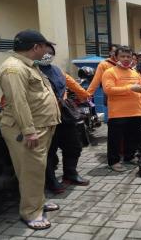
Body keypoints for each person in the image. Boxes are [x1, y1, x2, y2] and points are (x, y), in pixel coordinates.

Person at [0, 29, 60, 230]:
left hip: (41, 126)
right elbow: (18, 102)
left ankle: (38, 202)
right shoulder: (14, 69)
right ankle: (31, 212)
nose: (47, 51)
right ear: (36, 47)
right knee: (30, 172)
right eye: (45, 47)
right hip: (28, 130)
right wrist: (29, 130)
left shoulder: (30, 66)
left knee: (37, 169)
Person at [37, 44, 90, 194]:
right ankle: (50, 180)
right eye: (44, 53)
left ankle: (70, 174)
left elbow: (72, 83)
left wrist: (85, 95)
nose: (47, 56)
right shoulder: (32, 71)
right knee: (49, 152)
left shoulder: (57, 70)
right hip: (44, 119)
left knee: (74, 146)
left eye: (50, 53)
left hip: (64, 117)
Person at [102, 46, 141, 172]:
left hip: (137, 111)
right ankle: (114, 161)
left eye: (128, 56)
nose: (126, 59)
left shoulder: (134, 73)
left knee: (133, 137)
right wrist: (131, 88)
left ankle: (129, 156)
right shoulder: (110, 72)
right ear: (116, 57)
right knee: (115, 139)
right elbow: (108, 90)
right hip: (118, 113)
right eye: (122, 56)